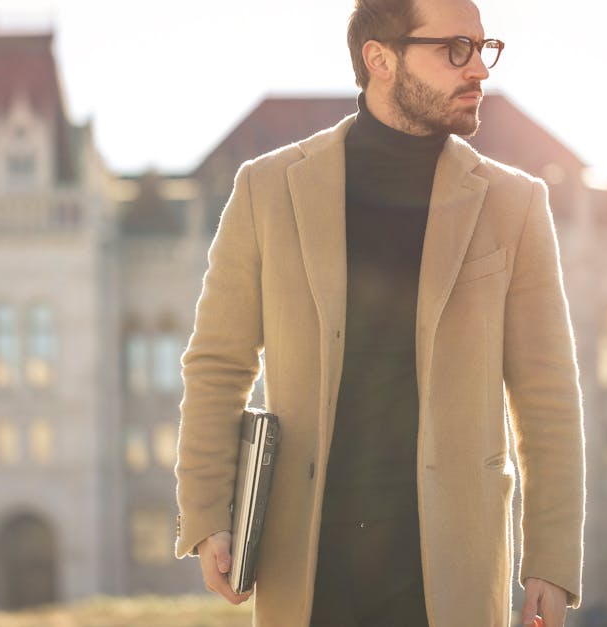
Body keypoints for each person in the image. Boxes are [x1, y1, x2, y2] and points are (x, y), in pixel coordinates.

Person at [173, 0, 585, 625]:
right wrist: (207, 515)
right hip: (307, 565)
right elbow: (217, 364)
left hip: (451, 575)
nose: (478, 69)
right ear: (380, 59)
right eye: (455, 49)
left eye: (483, 47)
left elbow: (547, 397)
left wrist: (550, 562)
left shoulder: (515, 205)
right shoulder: (267, 189)